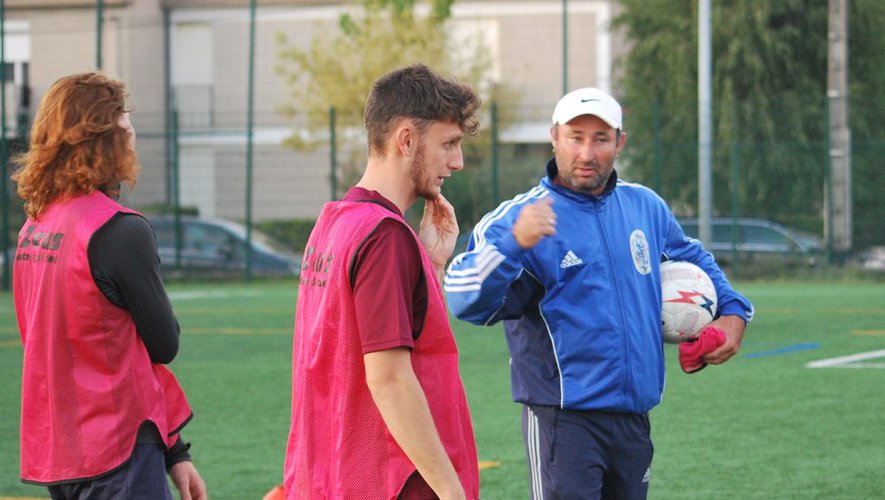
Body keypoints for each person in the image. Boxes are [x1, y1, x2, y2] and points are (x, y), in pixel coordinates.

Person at [443, 87, 754, 499]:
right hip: (563, 421)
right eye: (575, 138)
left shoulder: (645, 207)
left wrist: (733, 313)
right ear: (554, 137)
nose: (587, 153)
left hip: (633, 418)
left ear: (620, 143)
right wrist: (514, 242)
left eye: (601, 139)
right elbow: (462, 297)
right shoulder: (519, 217)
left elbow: (694, 259)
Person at [284, 64, 481, 499]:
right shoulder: (384, 237)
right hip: (389, 479)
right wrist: (451, 491)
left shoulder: (334, 223)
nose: (457, 162)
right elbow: (389, 379)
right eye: (448, 143)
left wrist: (430, 265)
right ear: (406, 140)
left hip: (335, 474)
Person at [11, 72, 207, 500]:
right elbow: (162, 346)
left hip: (60, 453)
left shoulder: (33, 229)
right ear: (104, 135)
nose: (132, 130)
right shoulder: (119, 230)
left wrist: (175, 452)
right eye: (124, 118)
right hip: (117, 448)